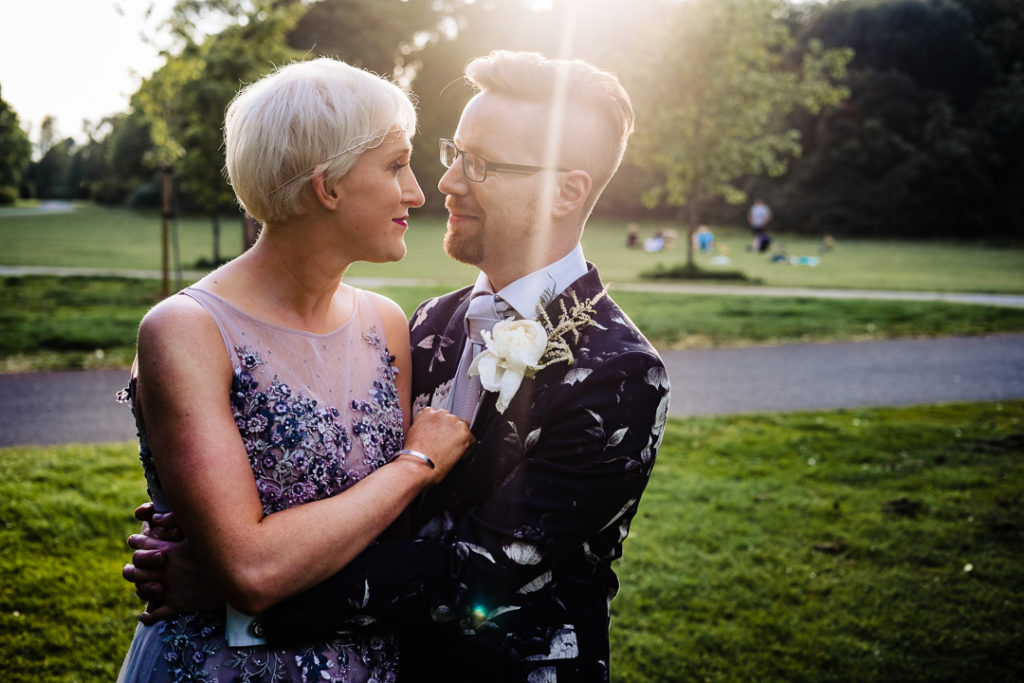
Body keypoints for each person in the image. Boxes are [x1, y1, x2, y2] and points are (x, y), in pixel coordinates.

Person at [126, 50, 670, 682]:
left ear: (565, 190)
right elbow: (364, 496)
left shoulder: (621, 372)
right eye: (454, 153)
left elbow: (473, 574)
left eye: (482, 165)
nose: (445, 183)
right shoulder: (428, 324)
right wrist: (213, 523)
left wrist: (238, 591)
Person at [115, 57, 474, 682]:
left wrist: (225, 574)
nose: (418, 192)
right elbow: (252, 572)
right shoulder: (186, 331)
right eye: (395, 165)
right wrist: (417, 466)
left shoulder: (386, 323)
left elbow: (402, 541)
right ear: (326, 185)